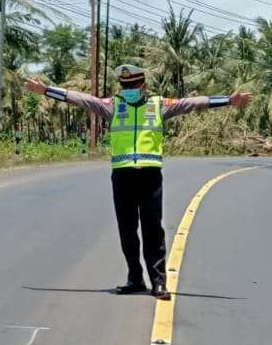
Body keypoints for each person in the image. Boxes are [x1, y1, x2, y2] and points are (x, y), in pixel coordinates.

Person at [26, 64, 252, 299]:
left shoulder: (159, 105)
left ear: (143, 85)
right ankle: (135, 278)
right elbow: (81, 99)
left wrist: (228, 100)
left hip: (150, 174)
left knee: (152, 228)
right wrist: (46, 91)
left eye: (133, 85)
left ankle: (158, 282)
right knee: (127, 230)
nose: (128, 89)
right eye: (124, 86)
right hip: (122, 175)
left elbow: (192, 103)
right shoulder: (113, 105)